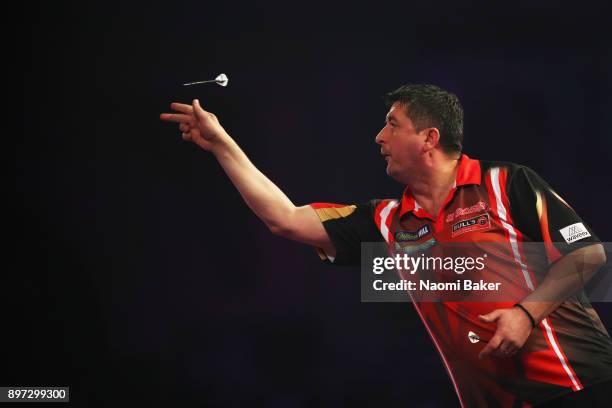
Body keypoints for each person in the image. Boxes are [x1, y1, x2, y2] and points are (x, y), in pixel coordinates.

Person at [160, 84, 612, 407]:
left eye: (391, 125)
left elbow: (588, 254)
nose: (379, 137)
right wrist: (222, 145)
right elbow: (285, 219)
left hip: (581, 384)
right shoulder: (387, 222)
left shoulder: (506, 183)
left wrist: (525, 313)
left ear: (429, 138)